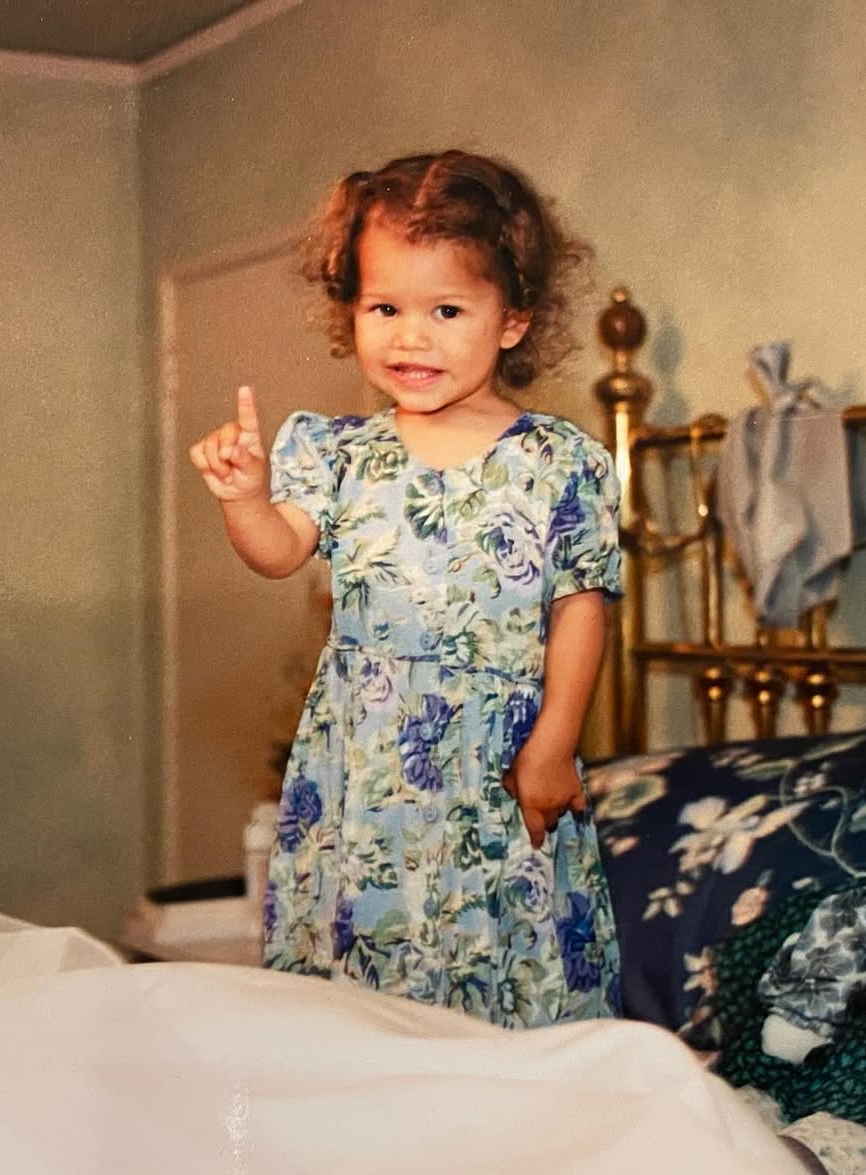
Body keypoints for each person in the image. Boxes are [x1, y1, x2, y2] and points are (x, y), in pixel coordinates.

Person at [189, 149, 622, 1028]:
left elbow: (581, 606)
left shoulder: (560, 461)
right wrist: (245, 499)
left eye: (446, 310)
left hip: (500, 763)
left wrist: (554, 743)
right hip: (365, 768)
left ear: (513, 319)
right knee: (365, 994)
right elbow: (278, 550)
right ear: (350, 308)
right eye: (384, 308)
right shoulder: (338, 452)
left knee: (501, 978)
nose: (410, 337)